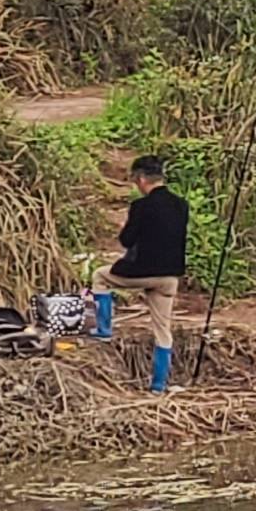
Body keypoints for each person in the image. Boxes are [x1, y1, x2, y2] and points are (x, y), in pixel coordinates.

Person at [105, 154, 190, 393]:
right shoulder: (181, 205)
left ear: (141, 179)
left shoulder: (141, 206)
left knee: (101, 277)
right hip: (170, 276)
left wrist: (124, 229)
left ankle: (102, 329)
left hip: (143, 271)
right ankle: (158, 386)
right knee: (163, 329)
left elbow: (127, 240)